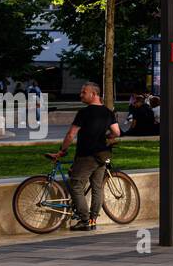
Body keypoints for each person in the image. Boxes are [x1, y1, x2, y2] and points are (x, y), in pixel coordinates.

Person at [51, 82, 122, 230]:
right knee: (97, 188)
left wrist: (62, 151)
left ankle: (84, 221)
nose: (80, 95)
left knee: (76, 185)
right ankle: (92, 221)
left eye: (84, 92)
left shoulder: (84, 113)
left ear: (94, 94)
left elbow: (71, 135)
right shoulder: (108, 112)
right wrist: (106, 137)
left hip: (87, 155)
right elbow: (116, 132)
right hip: (102, 155)